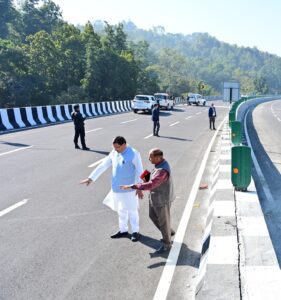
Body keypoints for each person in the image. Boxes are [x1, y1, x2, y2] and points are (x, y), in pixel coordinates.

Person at [80, 136, 144, 242]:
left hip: (130, 189)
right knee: (121, 210)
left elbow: (140, 170)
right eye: (114, 147)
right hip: (116, 188)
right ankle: (123, 230)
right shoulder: (114, 153)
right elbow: (103, 165)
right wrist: (91, 178)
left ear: (124, 144)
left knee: (132, 210)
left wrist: (139, 186)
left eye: (118, 147)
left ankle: (135, 232)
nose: (115, 149)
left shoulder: (134, 153)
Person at [121, 148, 175, 254]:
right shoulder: (160, 165)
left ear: (158, 157)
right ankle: (169, 232)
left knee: (163, 222)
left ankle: (167, 244)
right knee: (153, 216)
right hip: (156, 197)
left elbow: (152, 183)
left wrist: (133, 186)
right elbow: (151, 178)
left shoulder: (162, 171)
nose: (149, 159)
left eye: (151, 157)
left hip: (161, 199)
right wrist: (139, 178)